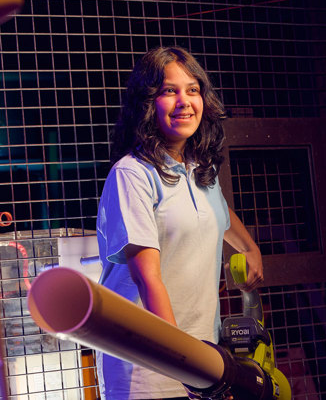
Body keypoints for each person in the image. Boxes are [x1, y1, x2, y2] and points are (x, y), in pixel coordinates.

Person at [96, 46, 264, 399]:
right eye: (169, 91)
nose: (184, 101)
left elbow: (218, 211)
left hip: (203, 360)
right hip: (150, 371)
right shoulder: (132, 174)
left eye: (193, 89)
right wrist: (181, 362)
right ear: (147, 103)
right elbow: (147, 278)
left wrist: (249, 248)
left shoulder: (200, 170)